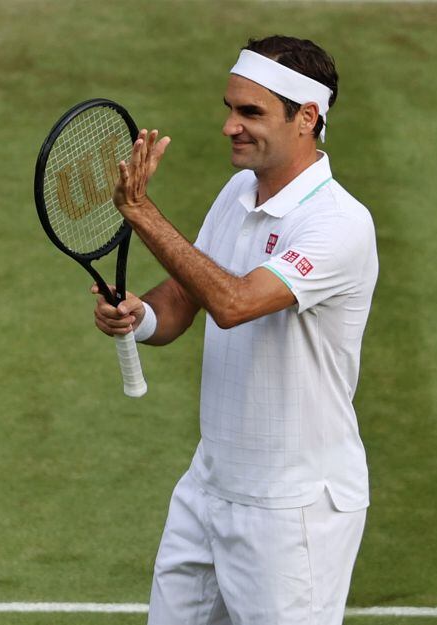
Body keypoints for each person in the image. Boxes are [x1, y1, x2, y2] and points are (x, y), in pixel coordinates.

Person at [93, 36, 378, 625]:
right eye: (230, 108)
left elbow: (234, 302)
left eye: (250, 113)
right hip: (210, 486)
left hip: (292, 509)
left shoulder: (339, 224)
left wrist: (142, 211)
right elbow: (183, 298)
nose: (229, 127)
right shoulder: (237, 193)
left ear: (307, 118)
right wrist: (138, 317)